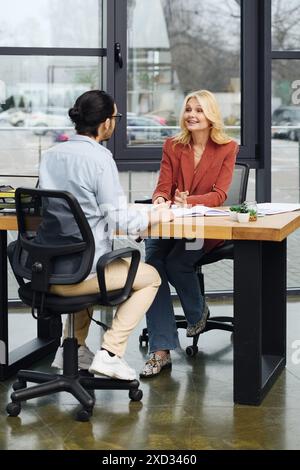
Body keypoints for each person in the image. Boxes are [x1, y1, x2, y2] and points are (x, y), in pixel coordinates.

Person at [39, 90, 173, 381]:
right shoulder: (100, 159)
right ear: (105, 123)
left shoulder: (50, 156)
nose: (115, 122)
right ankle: (111, 353)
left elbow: (45, 208)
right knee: (151, 277)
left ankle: (71, 349)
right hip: (81, 276)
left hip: (46, 272)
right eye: (115, 117)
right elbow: (119, 217)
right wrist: (154, 216)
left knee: (86, 255)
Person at [140, 89, 239, 378]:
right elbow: (163, 186)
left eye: (199, 110)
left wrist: (190, 201)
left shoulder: (227, 147)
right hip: (171, 222)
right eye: (188, 109)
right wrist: (160, 198)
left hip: (203, 227)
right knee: (152, 269)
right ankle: (161, 350)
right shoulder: (173, 145)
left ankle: (197, 313)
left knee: (176, 262)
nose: (192, 115)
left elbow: (219, 194)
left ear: (211, 117)